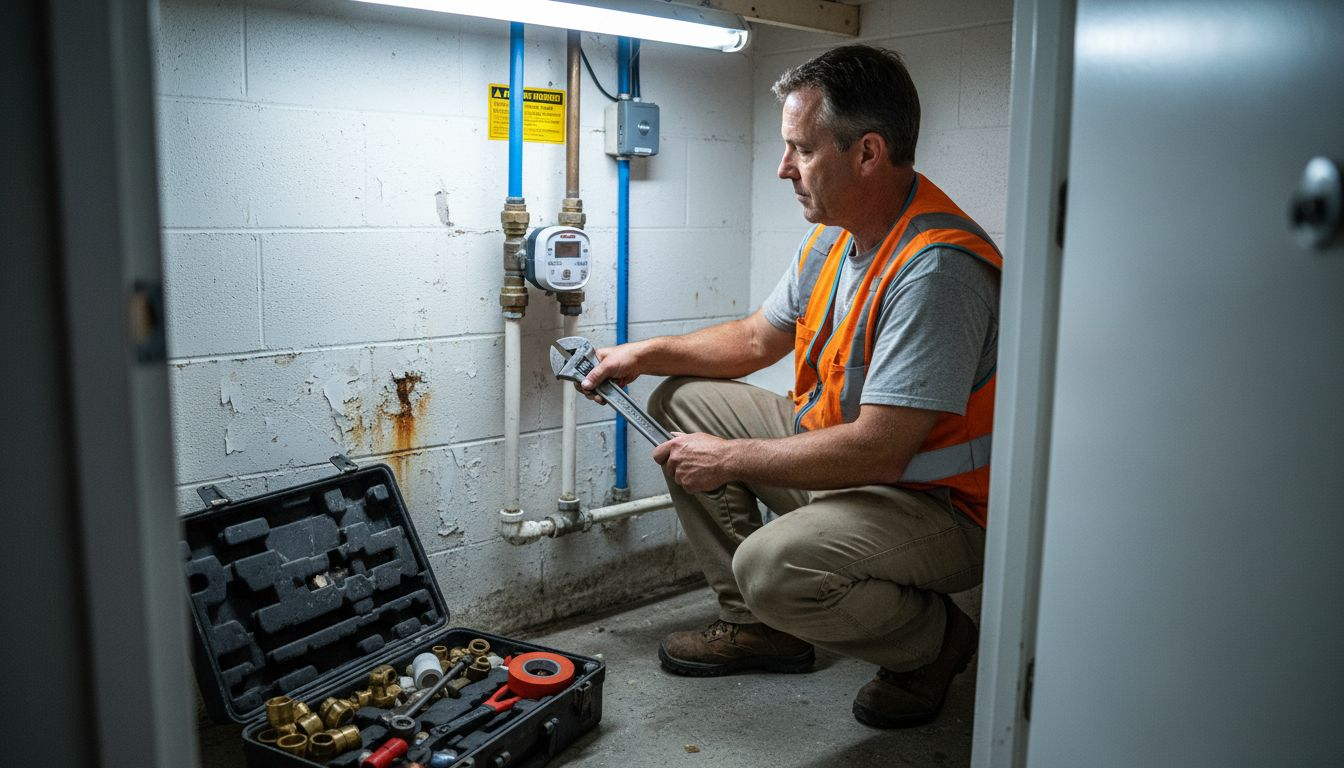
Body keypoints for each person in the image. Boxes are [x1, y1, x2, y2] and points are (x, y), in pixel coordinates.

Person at [579, 44, 1001, 729]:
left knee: (771, 565)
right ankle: (764, 629)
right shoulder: (838, 238)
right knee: (681, 401)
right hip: (856, 464)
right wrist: (642, 354)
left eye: (799, 149)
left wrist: (731, 459)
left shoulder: (937, 271)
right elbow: (754, 340)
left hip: (937, 506)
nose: (783, 169)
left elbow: (881, 452)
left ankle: (936, 643)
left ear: (866, 153)